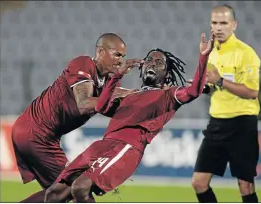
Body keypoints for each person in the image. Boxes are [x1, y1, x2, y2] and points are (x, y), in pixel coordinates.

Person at [44, 32, 214, 203]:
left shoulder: (169, 95)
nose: (152, 64)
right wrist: (117, 75)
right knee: (53, 194)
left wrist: (203, 57)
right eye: (148, 60)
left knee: (80, 188)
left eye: (158, 62)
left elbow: (194, 91)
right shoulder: (127, 95)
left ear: (167, 75)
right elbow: (100, 107)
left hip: (126, 148)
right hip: (103, 145)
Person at [11, 33, 132, 203]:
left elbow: (115, 111)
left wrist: (151, 99)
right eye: (117, 54)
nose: (121, 61)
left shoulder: (108, 83)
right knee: (75, 189)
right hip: (36, 132)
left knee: (59, 192)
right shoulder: (83, 63)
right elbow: (84, 103)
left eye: (123, 56)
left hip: (42, 135)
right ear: (101, 51)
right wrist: (120, 95)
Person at [191, 4, 261, 203]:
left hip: (242, 123)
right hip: (216, 123)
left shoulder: (246, 53)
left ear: (234, 25)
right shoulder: (210, 51)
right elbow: (211, 87)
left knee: (245, 186)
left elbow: (252, 92)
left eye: (223, 23)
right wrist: (202, 84)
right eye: (214, 22)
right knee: (199, 182)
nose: (218, 27)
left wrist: (220, 80)